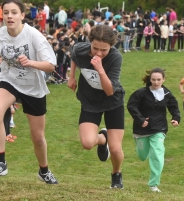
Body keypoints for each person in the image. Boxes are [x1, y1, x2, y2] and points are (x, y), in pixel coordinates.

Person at [0, 0, 58, 184]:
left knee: (38, 137)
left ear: (22, 15)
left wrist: (31, 63)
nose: (10, 16)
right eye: (6, 12)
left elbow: (51, 66)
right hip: (8, 80)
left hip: (33, 87)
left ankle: (44, 170)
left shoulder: (34, 36)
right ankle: (0, 162)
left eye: (14, 12)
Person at [68, 25, 125, 189]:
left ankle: (116, 174)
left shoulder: (115, 57)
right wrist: (72, 76)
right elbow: (74, 55)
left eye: (104, 50)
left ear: (111, 47)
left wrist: (100, 69)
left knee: (115, 149)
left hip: (113, 102)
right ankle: (102, 139)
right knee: (87, 143)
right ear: (90, 42)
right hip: (90, 100)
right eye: (95, 48)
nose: (99, 53)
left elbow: (109, 91)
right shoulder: (81, 48)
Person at [127, 68, 180, 193]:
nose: (156, 82)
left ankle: (153, 184)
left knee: (157, 153)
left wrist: (176, 118)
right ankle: (145, 149)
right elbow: (131, 105)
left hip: (159, 128)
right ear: (150, 80)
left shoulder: (167, 94)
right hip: (142, 129)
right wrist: (140, 119)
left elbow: (174, 107)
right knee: (142, 156)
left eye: (159, 80)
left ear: (163, 79)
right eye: (153, 79)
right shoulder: (141, 93)